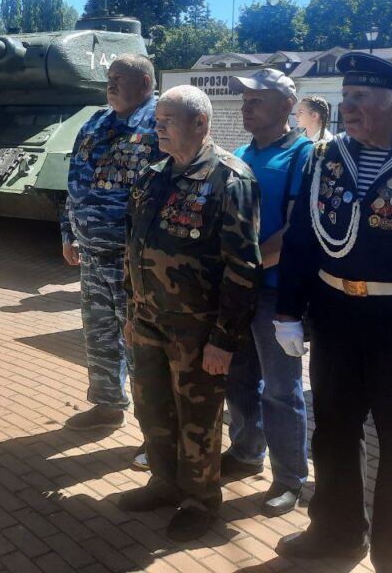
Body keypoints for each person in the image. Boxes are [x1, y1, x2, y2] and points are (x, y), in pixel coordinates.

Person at [274, 52, 392, 571]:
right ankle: (335, 534)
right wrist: (288, 309)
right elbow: (302, 237)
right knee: (332, 430)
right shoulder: (327, 157)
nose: (346, 107)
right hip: (338, 316)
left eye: (361, 98)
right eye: (345, 96)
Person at [118, 85, 262, 541]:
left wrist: (224, 339)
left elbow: (243, 267)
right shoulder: (153, 174)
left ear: (200, 123)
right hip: (147, 321)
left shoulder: (230, 179)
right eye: (157, 120)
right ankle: (163, 481)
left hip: (197, 330)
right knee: (152, 406)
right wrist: (129, 309)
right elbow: (133, 248)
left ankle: (200, 499)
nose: (157, 128)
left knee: (197, 419)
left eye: (168, 121)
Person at [223, 69, 312, 517]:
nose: (246, 105)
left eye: (256, 99)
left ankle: (291, 478)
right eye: (245, 99)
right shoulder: (240, 152)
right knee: (238, 379)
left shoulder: (303, 155)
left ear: (285, 106)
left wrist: (251, 264)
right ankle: (244, 452)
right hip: (239, 289)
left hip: (276, 294)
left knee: (281, 389)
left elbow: (298, 229)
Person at [60, 55, 160, 452]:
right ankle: (107, 405)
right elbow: (73, 179)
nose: (112, 84)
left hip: (132, 264)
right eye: (109, 78)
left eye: (121, 78)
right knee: (99, 336)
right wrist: (69, 231)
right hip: (92, 256)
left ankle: (154, 433)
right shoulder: (95, 123)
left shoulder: (160, 124)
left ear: (146, 82)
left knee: (141, 345)